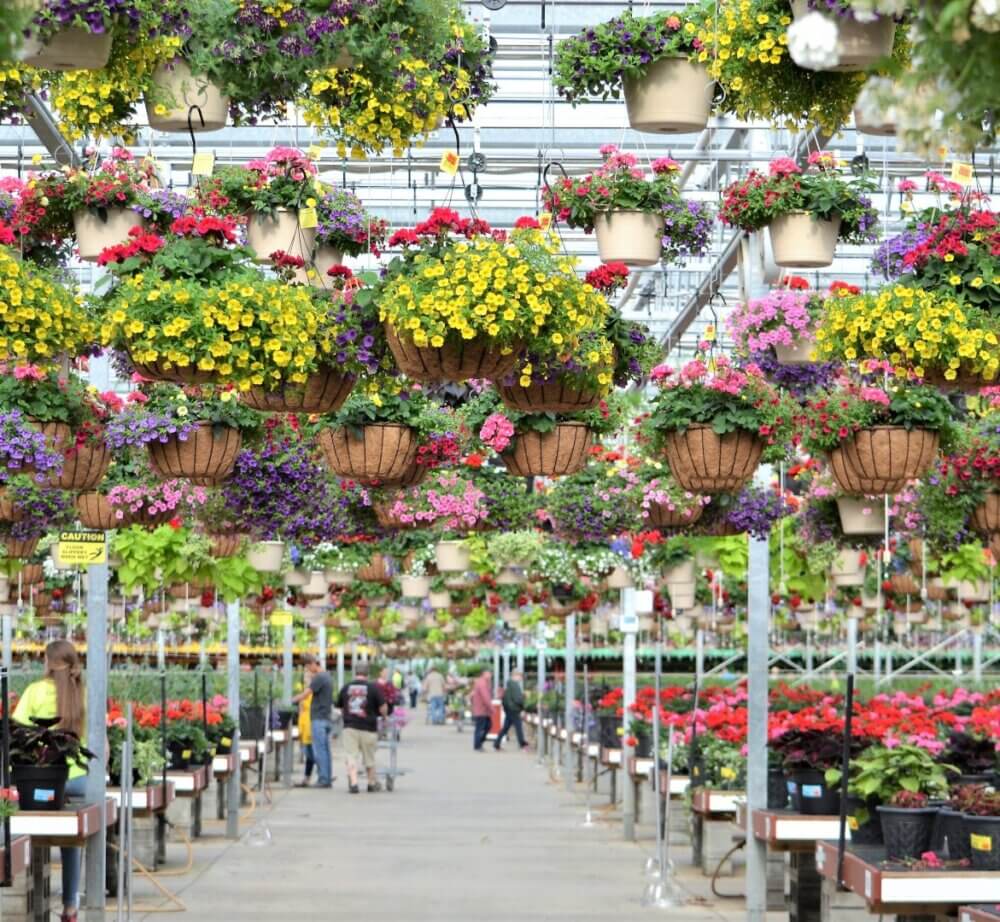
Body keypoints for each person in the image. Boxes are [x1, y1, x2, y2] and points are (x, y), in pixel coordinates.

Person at [13, 641, 89, 922]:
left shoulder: (34, 691)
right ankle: (70, 907)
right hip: (77, 781)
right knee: (71, 840)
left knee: (22, 825)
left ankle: (24, 895)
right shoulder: (84, 693)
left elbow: (16, 732)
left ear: (46, 662)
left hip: (41, 783)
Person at [336, 662, 386, 793]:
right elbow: (383, 708)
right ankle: (371, 783)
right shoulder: (374, 688)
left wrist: (347, 715)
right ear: (367, 673)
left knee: (351, 756)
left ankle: (354, 783)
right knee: (369, 757)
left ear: (355, 673)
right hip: (369, 728)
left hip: (350, 727)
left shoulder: (346, 687)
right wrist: (384, 716)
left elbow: (340, 707)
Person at [291, 654, 334, 788]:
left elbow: (306, 694)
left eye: (308, 668)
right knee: (325, 750)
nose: (309, 671)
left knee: (320, 751)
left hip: (318, 719)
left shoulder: (319, 677)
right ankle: (326, 777)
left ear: (312, 664)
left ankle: (323, 779)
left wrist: (290, 700)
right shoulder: (327, 676)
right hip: (326, 717)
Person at [494, 670, 529, 751]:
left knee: (506, 727)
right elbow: (518, 699)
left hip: (509, 708)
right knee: (518, 727)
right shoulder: (515, 685)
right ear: (515, 675)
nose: (521, 678)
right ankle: (522, 744)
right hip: (514, 709)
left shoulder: (509, 684)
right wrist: (523, 705)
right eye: (520, 676)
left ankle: (497, 743)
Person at [293, 683, 314, 787]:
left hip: (309, 726)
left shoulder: (311, 694)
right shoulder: (304, 692)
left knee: (311, 755)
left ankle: (310, 777)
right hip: (304, 727)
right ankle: (307, 778)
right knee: (309, 755)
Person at [470, 669, 493, 752]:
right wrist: (491, 708)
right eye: (489, 673)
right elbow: (485, 697)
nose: (491, 675)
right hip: (481, 709)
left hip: (482, 709)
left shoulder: (484, 682)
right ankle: (478, 745)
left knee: (486, 726)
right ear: (484, 674)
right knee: (481, 727)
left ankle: (478, 744)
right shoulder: (482, 683)